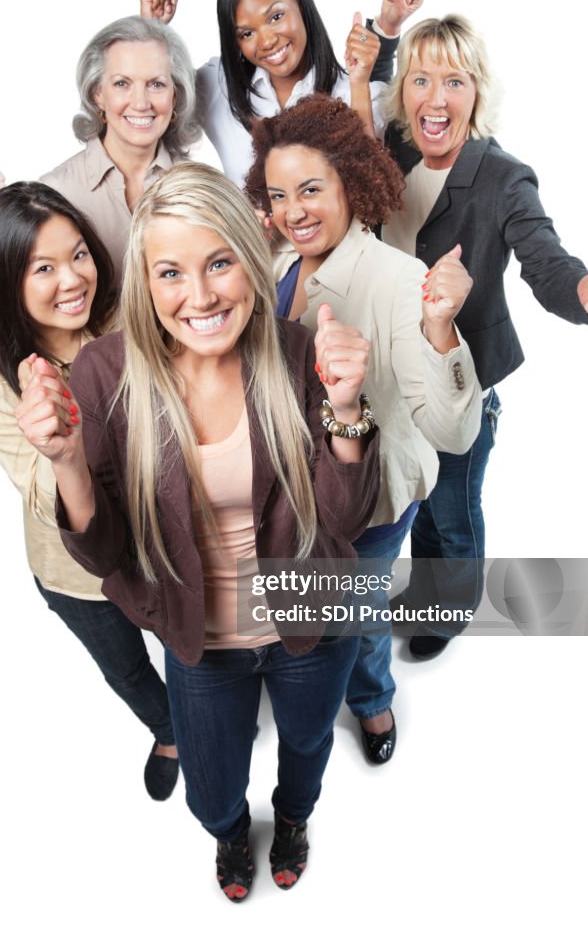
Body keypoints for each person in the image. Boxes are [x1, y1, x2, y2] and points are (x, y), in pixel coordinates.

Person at [15, 162, 381, 901]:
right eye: (171, 272)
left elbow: (342, 520)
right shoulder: (105, 373)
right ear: (145, 284)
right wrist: (66, 464)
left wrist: (344, 407)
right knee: (211, 788)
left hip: (309, 623)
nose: (201, 295)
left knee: (306, 747)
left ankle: (292, 819)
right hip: (198, 642)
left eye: (218, 263)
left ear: (249, 259)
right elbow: (106, 550)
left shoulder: (294, 352)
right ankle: (229, 836)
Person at [381, 15, 588, 658]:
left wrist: (585, 294)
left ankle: (451, 606)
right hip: (399, 373)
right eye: (421, 80)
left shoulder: (502, 175)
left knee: (453, 512)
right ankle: (426, 589)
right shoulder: (393, 148)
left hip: (464, 379)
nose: (436, 99)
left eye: (455, 82)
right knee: (415, 498)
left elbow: (544, 260)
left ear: (477, 92)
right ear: (404, 90)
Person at [245, 94, 481, 763]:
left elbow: (452, 431)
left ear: (349, 181)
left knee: (359, 612)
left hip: (369, 502)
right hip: (295, 491)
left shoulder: (398, 280)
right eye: (279, 193)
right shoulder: (275, 266)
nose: (294, 210)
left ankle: (371, 702)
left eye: (312, 189)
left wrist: (439, 330)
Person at [0, 182, 179, 801]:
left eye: (78, 254)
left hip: (161, 545)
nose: (72, 279)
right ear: (6, 281)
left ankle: (209, 712)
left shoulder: (118, 317)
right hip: (77, 576)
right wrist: (59, 446)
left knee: (193, 647)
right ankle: (168, 733)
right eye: (43, 268)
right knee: (127, 668)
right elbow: (41, 493)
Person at [139, 0, 424, 184]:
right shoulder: (219, 85)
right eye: (246, 34)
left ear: (300, 4)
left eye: (276, 16)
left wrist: (364, 74)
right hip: (248, 253)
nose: (267, 41)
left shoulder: (351, 92)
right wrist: (152, 27)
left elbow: (371, 186)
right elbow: (152, 102)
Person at [0, 17, 201, 272]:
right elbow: (20, 290)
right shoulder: (55, 192)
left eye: (156, 84)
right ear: (97, 94)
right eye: (122, 83)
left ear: (175, 94)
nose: (141, 102)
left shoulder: (201, 188)